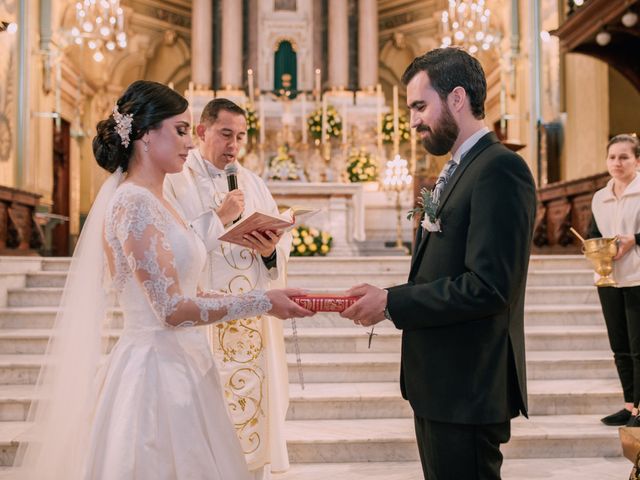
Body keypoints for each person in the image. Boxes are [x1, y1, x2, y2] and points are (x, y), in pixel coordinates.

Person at [11, 80, 313, 480]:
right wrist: (263, 302)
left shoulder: (158, 198)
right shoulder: (134, 203)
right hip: (155, 372)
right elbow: (170, 309)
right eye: (182, 130)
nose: (190, 144)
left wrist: (264, 286)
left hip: (185, 363)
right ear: (145, 136)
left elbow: (183, 287)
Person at [340, 48, 537, 480]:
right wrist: (386, 296)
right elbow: (444, 273)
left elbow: (489, 286)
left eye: (419, 105)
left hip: (468, 385)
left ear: (457, 99)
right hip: (442, 385)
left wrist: (392, 303)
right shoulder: (459, 169)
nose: (413, 120)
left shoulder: (500, 169)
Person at [163, 98, 291, 479]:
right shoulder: (174, 181)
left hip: (249, 321)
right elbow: (169, 247)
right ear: (202, 132)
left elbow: (277, 252)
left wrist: (270, 250)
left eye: (240, 136)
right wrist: (219, 218)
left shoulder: (253, 182)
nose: (233, 146)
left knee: (249, 417)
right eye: (225, 135)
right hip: (202, 321)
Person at [589, 133, 640, 428]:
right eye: (612, 157)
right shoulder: (600, 197)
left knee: (638, 348)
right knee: (619, 346)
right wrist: (596, 248)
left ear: (637, 160)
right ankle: (630, 404)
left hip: (637, 277)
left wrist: (635, 239)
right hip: (608, 279)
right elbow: (593, 232)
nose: (616, 163)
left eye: (624, 157)